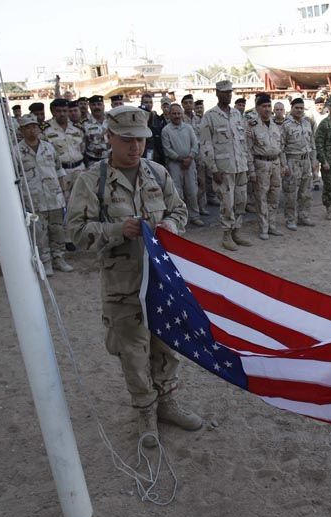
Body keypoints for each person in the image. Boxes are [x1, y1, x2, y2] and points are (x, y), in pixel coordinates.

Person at [67, 105, 201, 448]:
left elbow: (179, 209)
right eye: (127, 140)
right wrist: (116, 230)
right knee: (133, 352)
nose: (135, 148)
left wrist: (171, 225)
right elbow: (76, 233)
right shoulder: (91, 181)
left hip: (161, 282)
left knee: (168, 346)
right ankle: (145, 411)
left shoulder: (157, 173)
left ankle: (167, 402)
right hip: (123, 286)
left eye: (140, 140)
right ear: (108, 137)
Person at [17, 114, 72, 275]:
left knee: (57, 230)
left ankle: (59, 258)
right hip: (34, 199)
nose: (32, 130)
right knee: (39, 232)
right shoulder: (17, 152)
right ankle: (45, 261)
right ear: (21, 130)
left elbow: (59, 169)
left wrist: (63, 190)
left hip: (54, 196)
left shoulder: (48, 147)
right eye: (28, 127)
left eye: (34, 126)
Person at [201, 80, 251, 251]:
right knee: (227, 203)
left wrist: (247, 164)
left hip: (241, 166)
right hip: (224, 168)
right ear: (217, 93)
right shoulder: (210, 116)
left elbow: (244, 142)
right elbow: (206, 146)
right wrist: (213, 169)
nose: (228, 95)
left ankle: (237, 231)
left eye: (230, 92)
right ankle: (226, 235)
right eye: (224, 92)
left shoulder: (237, 115)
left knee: (240, 201)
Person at [245, 93, 287, 240]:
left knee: (274, 196)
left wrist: (283, 165)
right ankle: (263, 228)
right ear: (257, 108)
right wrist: (251, 171)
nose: (267, 109)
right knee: (261, 197)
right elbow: (248, 150)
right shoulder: (252, 126)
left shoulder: (276, 126)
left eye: (269, 106)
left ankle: (272, 225)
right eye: (264, 106)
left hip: (275, 163)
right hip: (260, 164)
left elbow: (281, 147)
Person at [161, 103, 203, 227]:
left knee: (192, 190)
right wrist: (180, 159)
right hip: (175, 165)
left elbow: (195, 144)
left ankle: (195, 216)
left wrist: (190, 158)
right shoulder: (166, 130)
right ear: (169, 115)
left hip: (190, 164)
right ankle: (179, 219)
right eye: (174, 113)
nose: (177, 116)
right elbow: (167, 149)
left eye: (179, 113)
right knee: (177, 193)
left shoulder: (188, 128)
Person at [281, 97, 317, 231]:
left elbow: (312, 143)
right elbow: (281, 147)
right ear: (292, 108)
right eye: (297, 108)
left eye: (301, 108)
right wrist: (284, 165)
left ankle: (303, 216)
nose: (299, 110)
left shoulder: (307, 123)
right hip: (292, 160)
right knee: (291, 193)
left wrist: (314, 161)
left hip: (306, 161)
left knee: (306, 192)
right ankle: (290, 219)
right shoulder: (286, 124)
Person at [43, 98, 86, 202]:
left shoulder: (77, 128)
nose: (62, 114)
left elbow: (83, 149)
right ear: (52, 112)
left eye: (65, 111)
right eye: (58, 111)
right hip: (61, 172)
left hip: (79, 170)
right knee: (64, 201)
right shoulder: (46, 130)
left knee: (82, 199)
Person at [83, 95, 110, 166]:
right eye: (93, 105)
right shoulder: (84, 123)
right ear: (89, 106)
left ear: (103, 106)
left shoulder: (111, 119)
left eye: (99, 104)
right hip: (93, 162)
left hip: (111, 161)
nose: (97, 107)